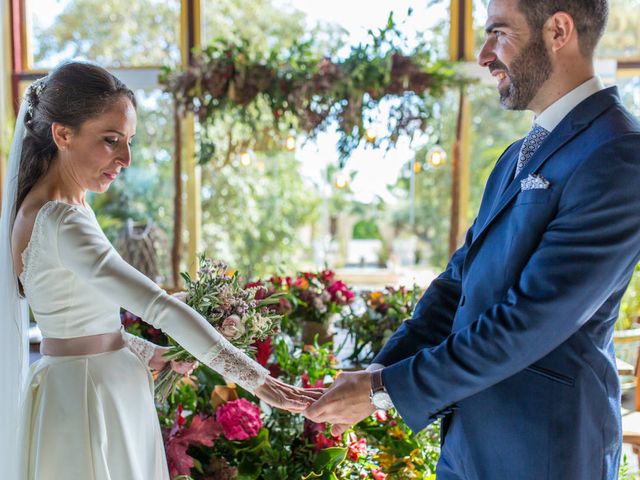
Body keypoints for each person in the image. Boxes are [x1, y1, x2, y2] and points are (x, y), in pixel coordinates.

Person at [304, 0, 640, 478]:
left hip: (543, 451)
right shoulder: (514, 158)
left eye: (499, 33)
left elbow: (530, 320)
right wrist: (371, 378)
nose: (484, 55)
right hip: (466, 444)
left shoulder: (619, 153)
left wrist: (384, 389)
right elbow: (456, 287)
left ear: (558, 31)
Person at [0, 61, 321, 479]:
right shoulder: (62, 220)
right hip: (91, 398)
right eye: (111, 140)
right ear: (63, 134)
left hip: (77, 387)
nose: (126, 158)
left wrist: (151, 352)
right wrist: (259, 381)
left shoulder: (53, 208)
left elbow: (76, 326)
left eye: (129, 141)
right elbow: (158, 306)